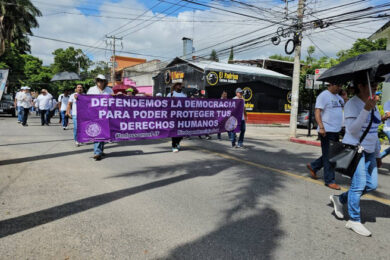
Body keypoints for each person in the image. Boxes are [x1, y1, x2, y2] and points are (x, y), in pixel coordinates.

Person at [330, 75, 382, 237]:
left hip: (370, 150)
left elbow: (374, 131)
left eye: (376, 84)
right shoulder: (353, 104)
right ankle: (354, 219)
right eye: (372, 84)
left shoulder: (373, 104)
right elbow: (352, 130)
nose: (375, 87)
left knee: (371, 185)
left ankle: (340, 199)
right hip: (356, 149)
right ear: (361, 85)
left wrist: (378, 153)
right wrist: (366, 109)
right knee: (359, 185)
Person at [306, 82, 344, 190]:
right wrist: (321, 127)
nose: (339, 87)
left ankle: (314, 165)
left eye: (340, 86)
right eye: (338, 85)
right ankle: (329, 181)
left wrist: (344, 98)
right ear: (331, 85)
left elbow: (344, 106)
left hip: (336, 130)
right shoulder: (323, 95)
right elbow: (317, 112)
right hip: (326, 131)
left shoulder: (338, 96)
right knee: (330, 156)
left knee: (331, 154)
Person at [87, 75, 113, 160]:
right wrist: (78, 97)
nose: (100, 82)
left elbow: (113, 100)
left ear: (105, 81)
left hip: (106, 115)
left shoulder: (109, 90)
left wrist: (117, 96)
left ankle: (100, 150)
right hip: (95, 114)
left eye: (102, 80)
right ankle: (97, 152)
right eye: (98, 80)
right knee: (97, 132)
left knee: (104, 133)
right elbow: (86, 100)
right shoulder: (91, 89)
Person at [167, 82, 186, 153]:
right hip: (174, 116)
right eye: (178, 85)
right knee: (174, 132)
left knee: (182, 132)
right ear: (175, 86)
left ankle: (178, 142)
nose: (180, 86)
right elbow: (166, 104)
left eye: (180, 85)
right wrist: (171, 99)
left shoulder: (184, 95)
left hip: (182, 116)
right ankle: (174, 146)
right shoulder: (171, 94)